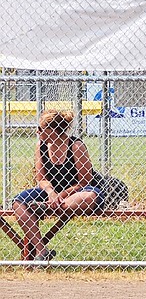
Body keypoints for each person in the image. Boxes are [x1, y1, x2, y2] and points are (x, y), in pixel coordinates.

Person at [10, 110, 105, 261]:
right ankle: (41, 251)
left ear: (52, 131)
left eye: (40, 128)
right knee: (18, 202)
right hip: (50, 193)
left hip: (78, 191)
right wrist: (51, 193)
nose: (37, 131)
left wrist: (60, 196)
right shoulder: (41, 146)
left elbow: (85, 181)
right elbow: (41, 179)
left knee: (90, 196)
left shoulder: (76, 146)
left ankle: (47, 207)